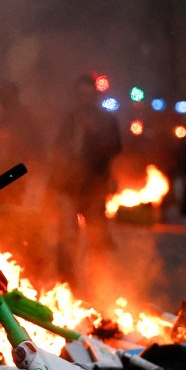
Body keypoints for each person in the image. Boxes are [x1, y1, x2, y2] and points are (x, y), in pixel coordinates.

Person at [49, 73, 122, 280]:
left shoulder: (107, 121)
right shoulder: (69, 119)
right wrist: (53, 185)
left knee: (97, 238)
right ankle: (66, 283)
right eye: (81, 96)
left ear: (95, 97)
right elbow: (58, 150)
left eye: (89, 96)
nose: (85, 100)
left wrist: (94, 133)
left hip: (93, 187)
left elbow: (114, 149)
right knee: (67, 237)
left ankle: (97, 283)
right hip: (68, 186)